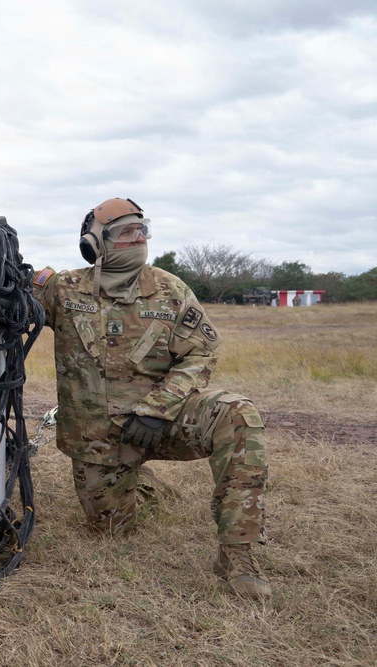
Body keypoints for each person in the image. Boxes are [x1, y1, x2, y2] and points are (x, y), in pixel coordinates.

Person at [29, 198, 271, 600]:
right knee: (109, 531)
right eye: (126, 231)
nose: (139, 237)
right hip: (100, 439)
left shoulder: (170, 289)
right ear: (95, 243)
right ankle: (142, 484)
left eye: (143, 230)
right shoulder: (63, 289)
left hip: (161, 423)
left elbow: (202, 350)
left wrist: (159, 408)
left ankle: (237, 554)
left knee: (237, 414)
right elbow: (12, 304)